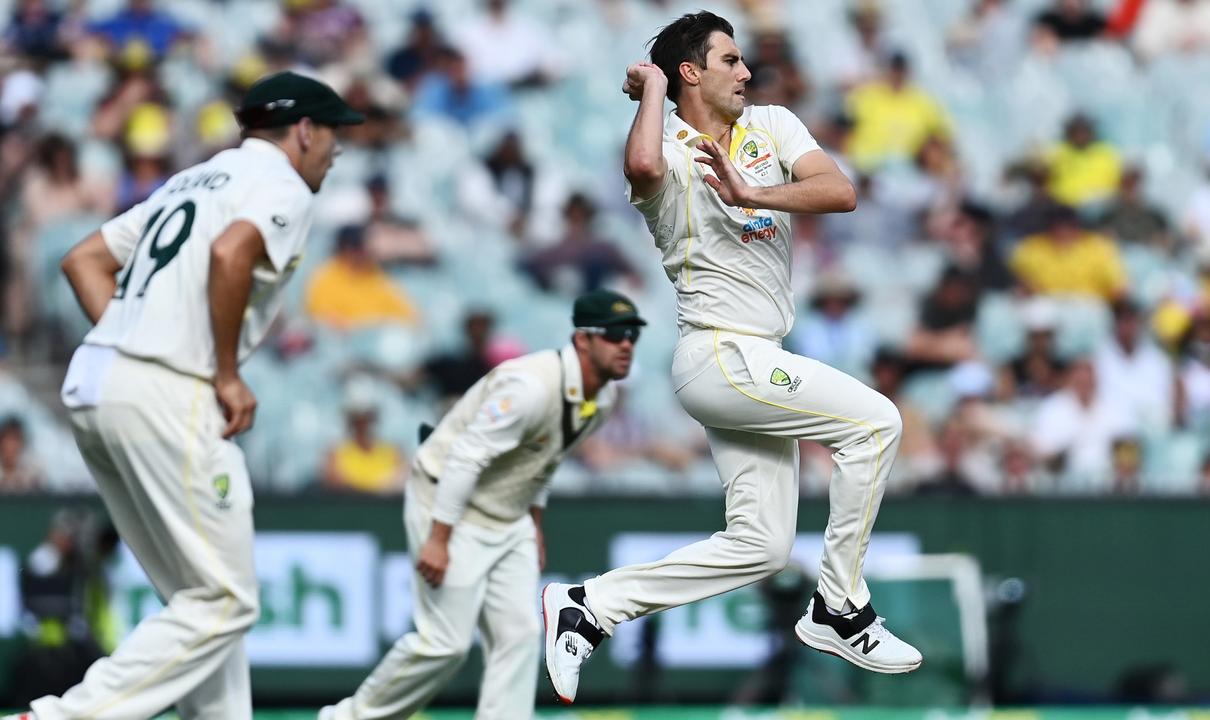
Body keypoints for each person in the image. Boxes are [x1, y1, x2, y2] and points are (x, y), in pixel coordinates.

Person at [542, 11, 921, 706]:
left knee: (762, 546)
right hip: (718, 350)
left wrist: (754, 192)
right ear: (691, 72)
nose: (746, 72)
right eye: (729, 60)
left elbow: (840, 190)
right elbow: (643, 166)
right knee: (876, 423)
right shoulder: (665, 142)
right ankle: (841, 605)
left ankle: (590, 605)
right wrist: (652, 88)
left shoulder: (771, 126)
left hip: (756, 356)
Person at [5, 72, 363, 720]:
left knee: (200, 603)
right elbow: (232, 255)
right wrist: (226, 372)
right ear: (305, 130)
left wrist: (121, 335)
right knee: (227, 600)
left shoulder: (192, 178)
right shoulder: (280, 182)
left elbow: (83, 259)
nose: (337, 150)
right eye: (333, 133)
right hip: (169, 389)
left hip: (99, 380)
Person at [321, 290, 645, 720]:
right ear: (582, 340)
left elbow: (545, 459)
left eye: (632, 336)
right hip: (450, 503)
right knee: (445, 643)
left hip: (508, 514)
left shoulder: (600, 400)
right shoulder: (530, 387)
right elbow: (466, 457)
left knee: (519, 634)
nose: (626, 345)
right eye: (614, 335)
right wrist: (439, 537)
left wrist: (535, 523)